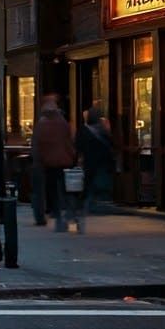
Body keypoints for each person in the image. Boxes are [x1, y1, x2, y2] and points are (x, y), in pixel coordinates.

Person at [31, 94, 77, 231]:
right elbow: (69, 142)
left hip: (49, 163)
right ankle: (69, 214)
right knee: (65, 189)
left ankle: (57, 216)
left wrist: (37, 160)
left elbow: (37, 145)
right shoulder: (63, 123)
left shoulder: (41, 124)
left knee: (52, 191)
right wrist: (72, 156)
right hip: (64, 161)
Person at [76, 105, 114, 215]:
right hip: (103, 162)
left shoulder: (83, 130)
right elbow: (111, 144)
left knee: (90, 183)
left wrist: (78, 159)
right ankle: (100, 203)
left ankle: (89, 204)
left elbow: (78, 146)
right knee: (101, 182)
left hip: (89, 162)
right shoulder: (103, 129)